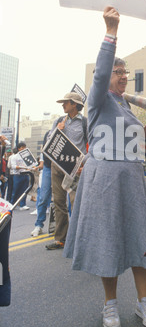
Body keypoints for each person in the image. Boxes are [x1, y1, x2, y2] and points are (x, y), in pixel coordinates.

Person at [63, 6, 146, 327]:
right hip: (103, 177)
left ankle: (144, 303)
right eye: (118, 72)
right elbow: (101, 74)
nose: (122, 76)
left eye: (125, 73)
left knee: (138, 239)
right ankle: (110, 305)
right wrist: (111, 32)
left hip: (130, 176)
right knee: (108, 240)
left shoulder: (124, 104)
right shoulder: (98, 98)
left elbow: (143, 142)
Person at [45, 92, 88, 250]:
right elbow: (49, 142)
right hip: (57, 165)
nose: (63, 105)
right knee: (58, 202)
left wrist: (82, 164)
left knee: (76, 202)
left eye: (66, 102)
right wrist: (57, 130)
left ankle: (79, 239)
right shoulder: (58, 121)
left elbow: (92, 145)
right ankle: (60, 239)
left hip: (74, 168)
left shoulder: (84, 123)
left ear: (74, 104)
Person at [31, 131, 52, 236]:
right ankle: (38, 225)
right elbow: (42, 164)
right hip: (48, 169)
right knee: (43, 198)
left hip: (62, 169)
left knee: (64, 200)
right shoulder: (48, 135)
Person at [10, 142, 30, 210]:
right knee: (16, 190)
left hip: (26, 174)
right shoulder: (14, 157)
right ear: (18, 149)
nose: (24, 149)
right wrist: (23, 167)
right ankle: (12, 204)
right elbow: (13, 166)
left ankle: (23, 204)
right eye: (22, 147)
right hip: (18, 175)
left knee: (25, 190)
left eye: (25, 147)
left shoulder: (27, 156)